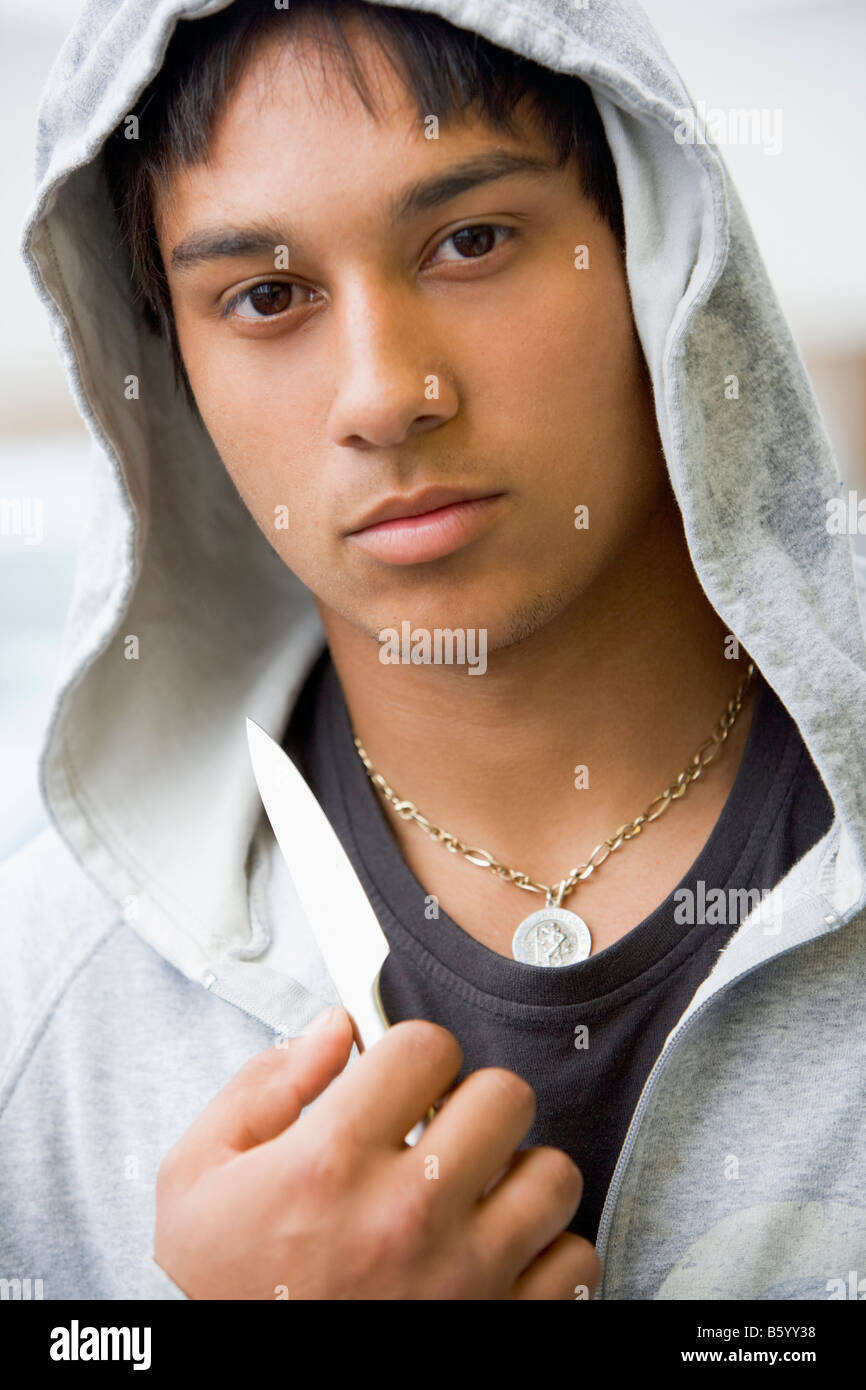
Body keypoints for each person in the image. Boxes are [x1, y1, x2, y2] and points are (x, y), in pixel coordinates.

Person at [2, 0, 864, 1302]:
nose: (383, 390)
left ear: (656, 248)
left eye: (470, 240)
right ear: (166, 361)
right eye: (266, 295)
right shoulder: (41, 1011)